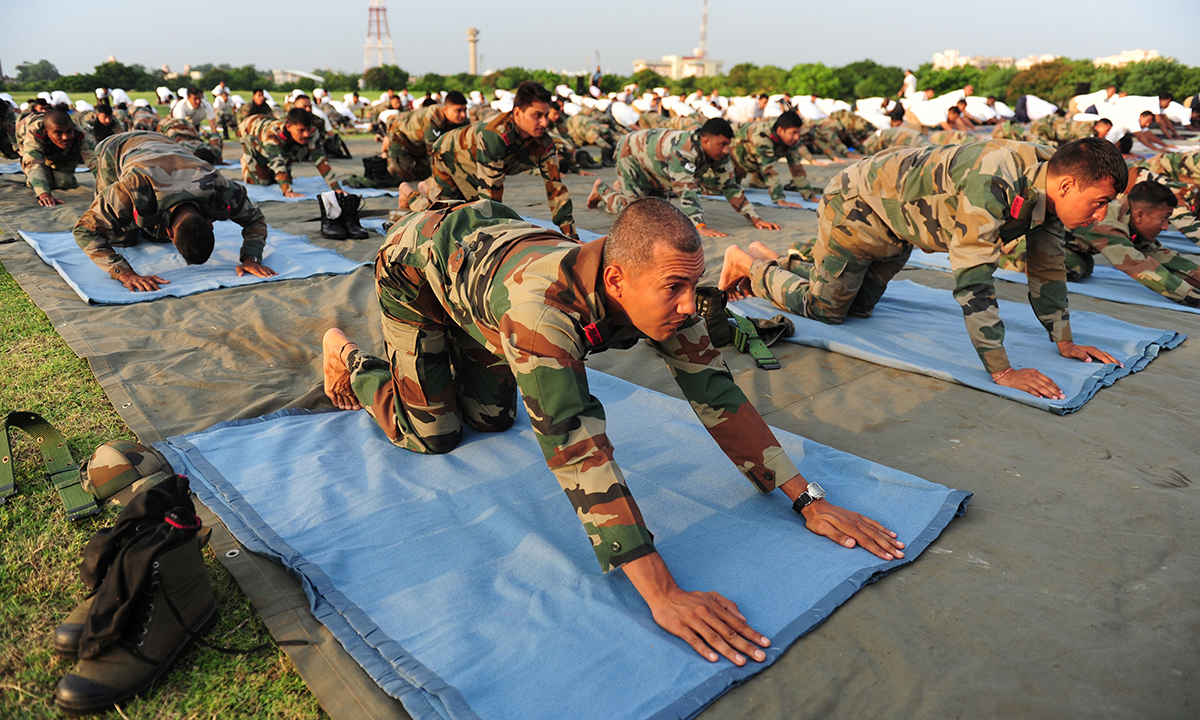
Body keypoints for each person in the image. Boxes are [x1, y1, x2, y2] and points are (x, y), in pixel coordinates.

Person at [320, 196, 905, 665]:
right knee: (433, 433)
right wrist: (661, 591)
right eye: (672, 289)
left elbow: (718, 395)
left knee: (491, 419)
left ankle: (450, 356)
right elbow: (577, 448)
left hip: (491, 270)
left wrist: (806, 498)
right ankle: (351, 358)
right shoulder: (541, 316)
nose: (685, 305)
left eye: (690, 285)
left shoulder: (660, 288)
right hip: (418, 266)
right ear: (619, 281)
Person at [717, 138, 1127, 400]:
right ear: (1069, 185)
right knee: (826, 310)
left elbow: (1048, 267)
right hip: (858, 207)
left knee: (859, 309)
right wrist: (1002, 371)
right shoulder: (996, 180)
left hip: (901, 229)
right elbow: (973, 280)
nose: (1101, 214)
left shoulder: (1052, 184)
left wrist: (1065, 341)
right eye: (1099, 201)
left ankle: (782, 262)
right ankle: (749, 265)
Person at [73, 131, 274, 292]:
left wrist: (251, 258)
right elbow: (85, 230)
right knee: (122, 238)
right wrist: (124, 273)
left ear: (211, 224)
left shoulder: (221, 189)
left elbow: (255, 219)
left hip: (164, 145)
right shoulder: (131, 189)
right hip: (116, 147)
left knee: (155, 235)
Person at [407, 82, 577, 238]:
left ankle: (429, 187)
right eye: (537, 115)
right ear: (517, 113)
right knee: (444, 221)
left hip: (477, 164)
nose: (544, 122)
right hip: (449, 155)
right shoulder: (495, 136)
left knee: (468, 215)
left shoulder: (544, 142)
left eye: (546, 116)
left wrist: (572, 237)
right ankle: (409, 195)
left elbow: (556, 190)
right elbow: (490, 199)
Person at [999, 181, 1200, 306]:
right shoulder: (1106, 223)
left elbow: (1166, 257)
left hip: (1060, 242)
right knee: (1075, 267)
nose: (1166, 227)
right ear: (1139, 214)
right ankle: (1007, 260)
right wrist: (1193, 297)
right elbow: (1139, 266)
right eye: (1164, 219)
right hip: (1024, 241)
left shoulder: (1130, 221)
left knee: (1084, 267)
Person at [587, 118, 783, 239]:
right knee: (635, 213)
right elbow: (686, 190)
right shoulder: (684, 151)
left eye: (727, 145)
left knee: (654, 210)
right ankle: (603, 190)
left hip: (657, 165)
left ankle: (624, 188)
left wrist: (755, 218)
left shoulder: (718, 155)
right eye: (722, 144)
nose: (726, 150)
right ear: (706, 140)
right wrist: (699, 226)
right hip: (631, 154)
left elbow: (730, 187)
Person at [238, 108, 340, 197]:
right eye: (301, 130)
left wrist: (336, 188)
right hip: (249, 132)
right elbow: (277, 162)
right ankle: (248, 162)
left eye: (308, 129)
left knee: (285, 179)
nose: (306, 134)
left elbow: (320, 159)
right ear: (289, 127)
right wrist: (287, 191)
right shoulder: (272, 135)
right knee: (263, 182)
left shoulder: (312, 132)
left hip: (282, 142)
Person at [728, 110, 818, 203]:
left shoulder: (790, 139)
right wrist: (779, 199)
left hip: (750, 164)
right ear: (780, 131)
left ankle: (755, 183)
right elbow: (769, 168)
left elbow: (796, 168)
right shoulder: (761, 134)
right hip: (728, 163)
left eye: (798, 133)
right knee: (717, 191)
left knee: (758, 190)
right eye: (793, 133)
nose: (797, 137)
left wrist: (810, 195)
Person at [384, 90, 469, 185]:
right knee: (403, 176)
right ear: (446, 110)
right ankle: (389, 163)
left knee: (424, 173)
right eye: (458, 111)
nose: (463, 115)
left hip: (420, 142)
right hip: (400, 134)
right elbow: (433, 152)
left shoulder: (463, 120)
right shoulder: (432, 117)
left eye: (465, 110)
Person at [19, 108, 96, 206]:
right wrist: (43, 194)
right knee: (39, 182)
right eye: (58, 133)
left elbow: (95, 160)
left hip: (60, 149)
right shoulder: (34, 133)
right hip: (24, 138)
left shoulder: (78, 132)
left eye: (69, 131)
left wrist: (111, 187)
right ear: (46, 132)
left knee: (65, 183)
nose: (65, 137)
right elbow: (33, 162)